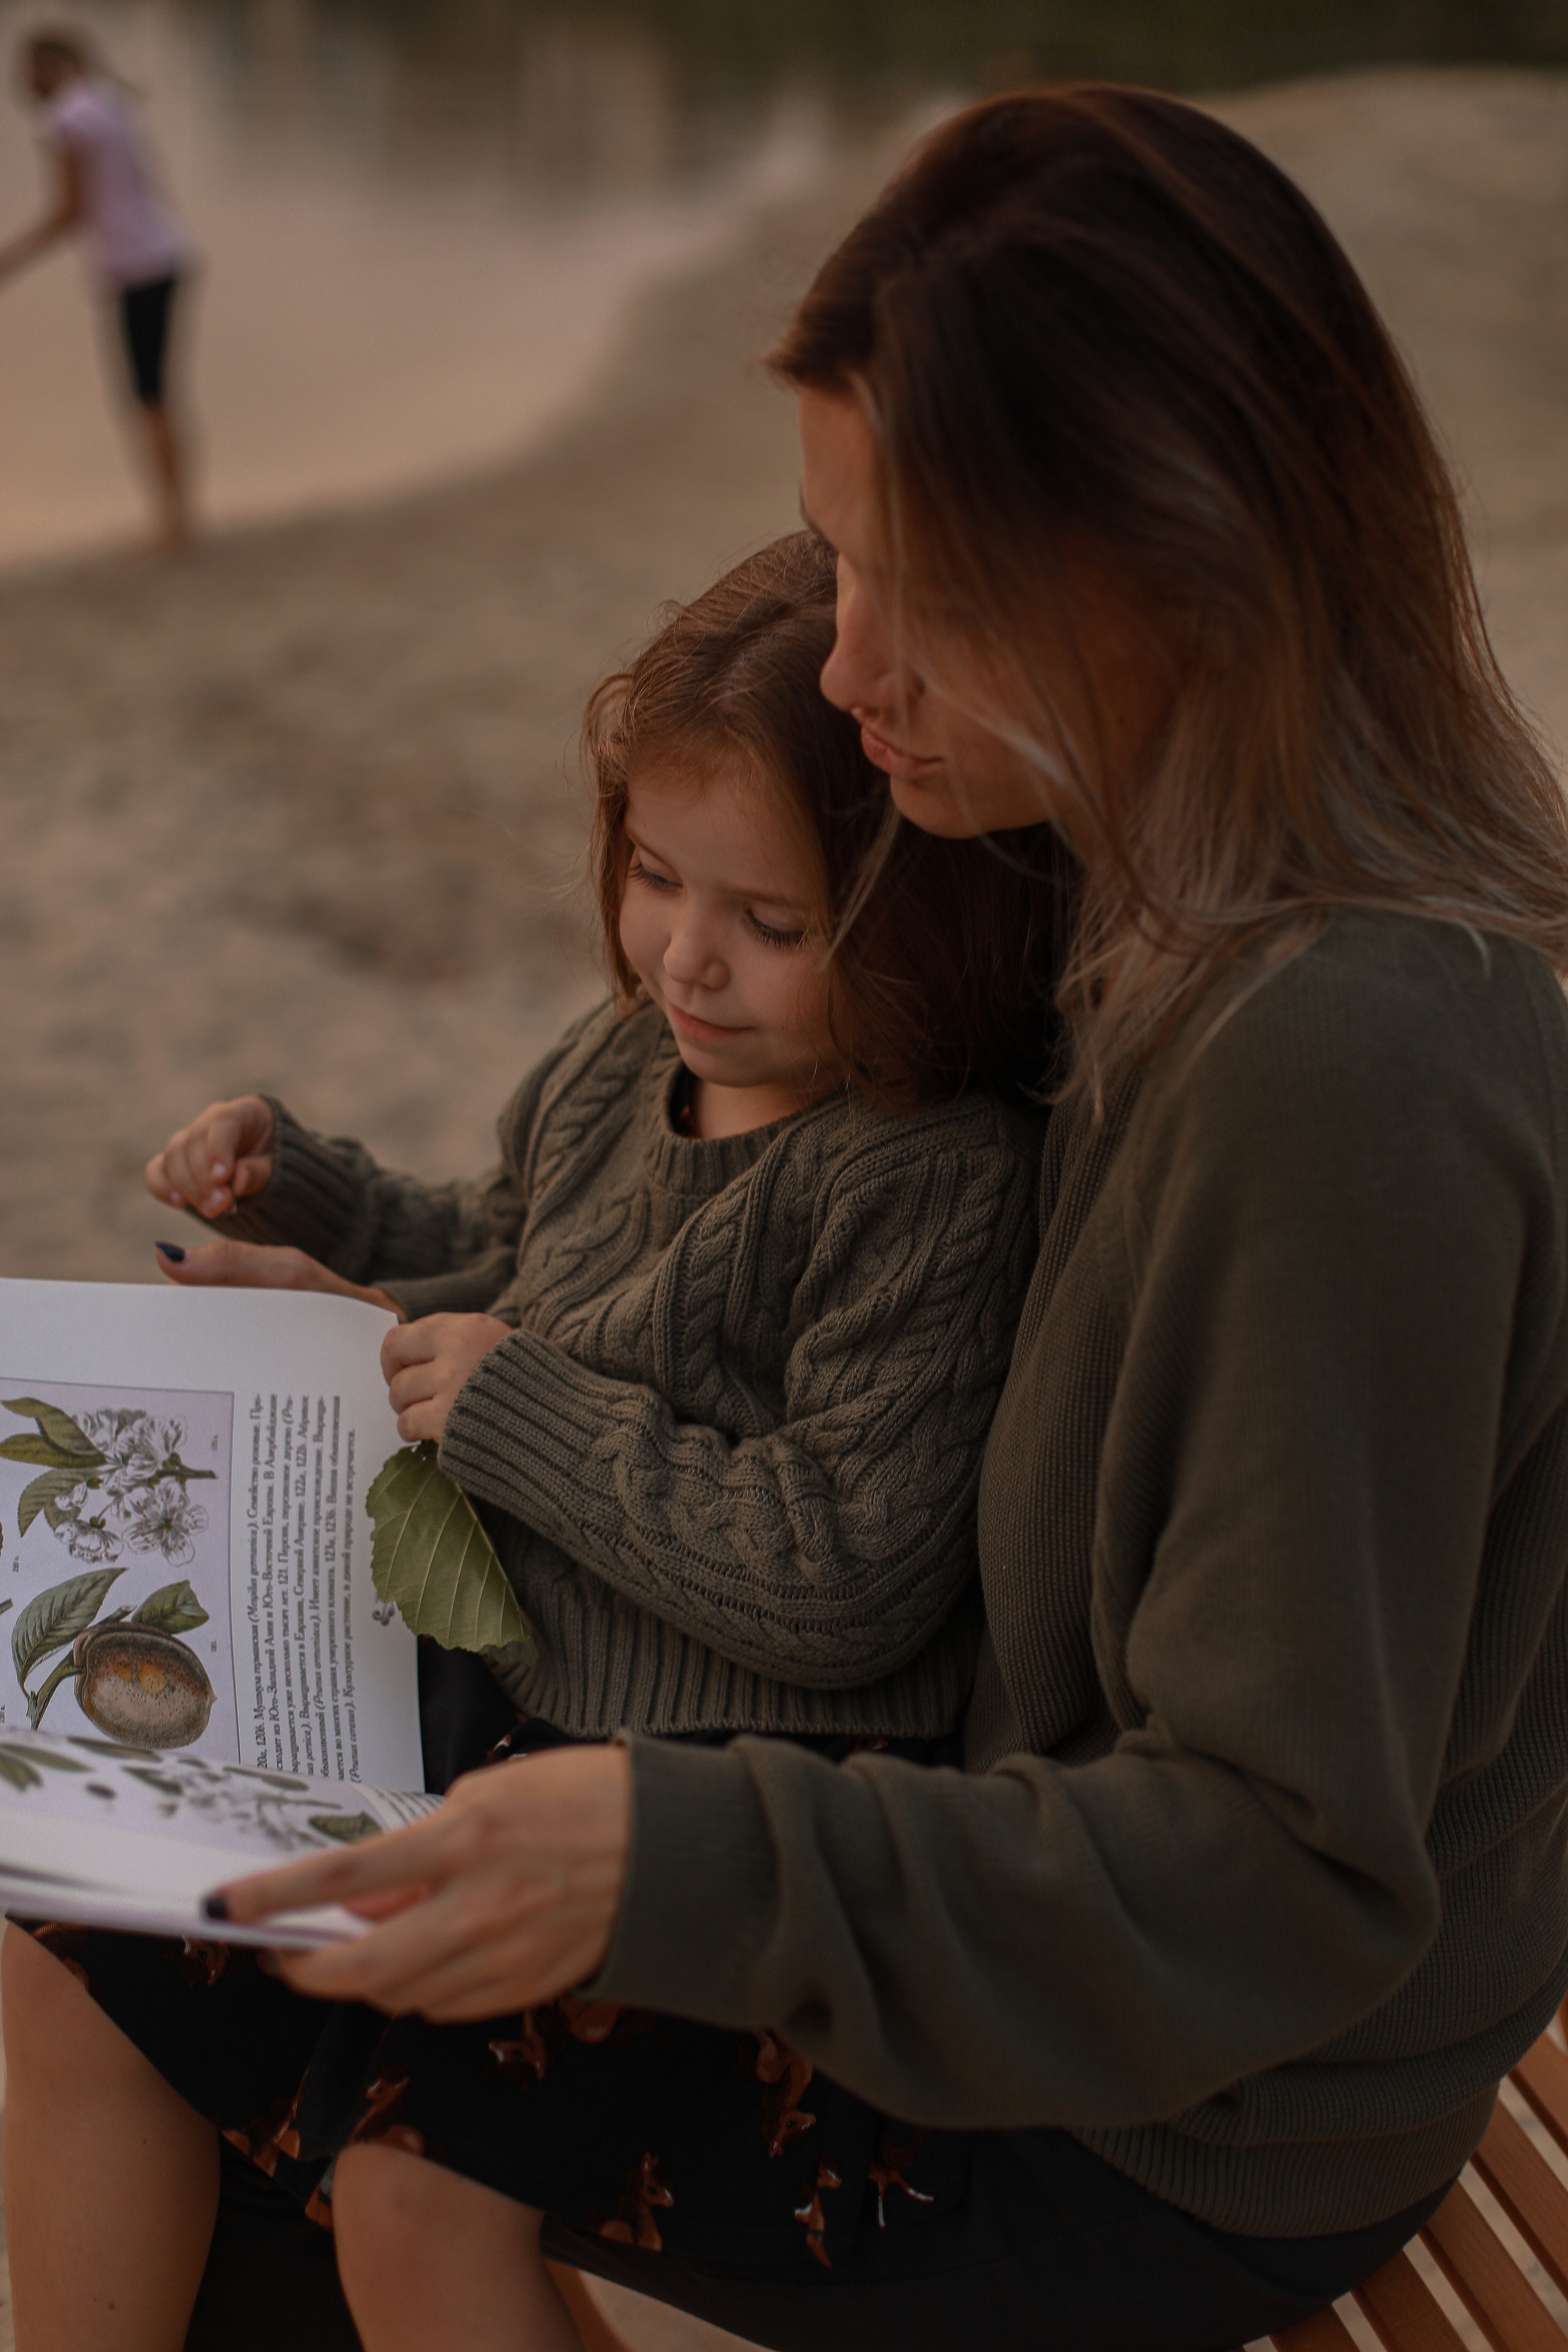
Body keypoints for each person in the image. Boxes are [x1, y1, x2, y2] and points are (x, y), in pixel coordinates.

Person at [9, 77, 1568, 2352]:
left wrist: (673, 1852)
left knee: (293, 2133)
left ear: (1168, 558)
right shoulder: (1133, 876)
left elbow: (1279, 1871)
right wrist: (366, 1306)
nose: (843, 671)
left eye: (909, 590)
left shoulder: (1341, 1058)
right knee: (103, 1927)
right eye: (829, 562)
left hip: (1163, 2126)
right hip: (989, 1919)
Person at [2, 532, 1062, 2352]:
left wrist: (518, 1410)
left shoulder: (925, 1177)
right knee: (57, 1940)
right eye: (655, 876)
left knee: (416, 2198)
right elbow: (513, 1254)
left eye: (772, 921)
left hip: (719, 1815)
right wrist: (324, 1211)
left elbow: (846, 1576)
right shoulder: (619, 1059)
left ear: (924, 919)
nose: (688, 957)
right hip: (492, 1713)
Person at [0, 26, 194, 548]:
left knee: (146, 395)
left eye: (27, 69)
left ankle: (173, 524)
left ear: (50, 66)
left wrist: (11, 260)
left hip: (136, 265)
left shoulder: (67, 117)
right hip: (165, 253)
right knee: (157, 394)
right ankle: (177, 516)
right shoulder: (109, 103)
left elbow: (69, 211)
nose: (21, 82)